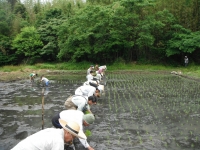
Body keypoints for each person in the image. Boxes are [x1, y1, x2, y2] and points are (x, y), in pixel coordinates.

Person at [11, 120, 86, 150]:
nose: (71, 141)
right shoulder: (58, 141)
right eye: (72, 137)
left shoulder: (51, 130)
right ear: (68, 133)